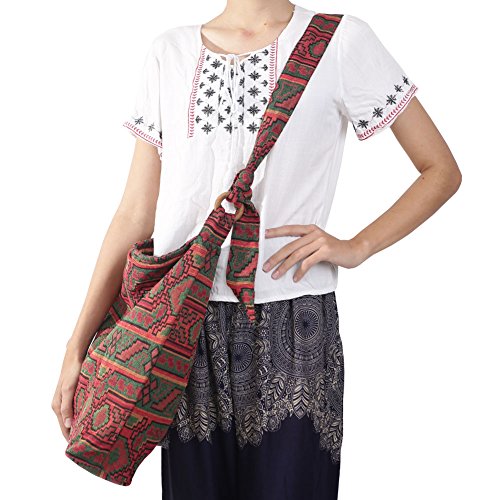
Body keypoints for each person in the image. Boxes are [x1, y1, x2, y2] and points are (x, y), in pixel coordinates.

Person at [52, 1, 462, 498]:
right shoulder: (169, 52)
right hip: (185, 329)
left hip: (296, 322)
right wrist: (77, 346)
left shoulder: (339, 40)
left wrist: (358, 246)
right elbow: (135, 214)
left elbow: (440, 170)